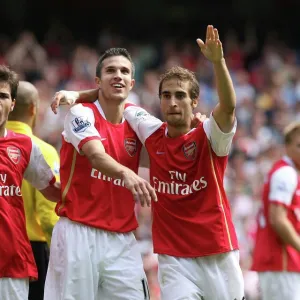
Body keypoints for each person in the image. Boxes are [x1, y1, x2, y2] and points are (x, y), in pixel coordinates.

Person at [51, 25, 245, 300]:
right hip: (174, 259)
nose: (173, 102)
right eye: (166, 96)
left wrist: (218, 62)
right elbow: (112, 96)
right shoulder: (149, 129)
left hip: (218, 253)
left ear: (195, 102)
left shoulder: (210, 136)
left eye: (180, 96)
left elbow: (227, 107)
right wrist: (75, 96)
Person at [44, 48, 157, 300]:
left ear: (132, 82)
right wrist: (127, 173)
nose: (118, 75)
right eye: (110, 71)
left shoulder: (136, 119)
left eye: (124, 71)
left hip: (122, 239)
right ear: (97, 81)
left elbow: (166, 142)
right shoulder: (80, 112)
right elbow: (95, 155)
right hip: (78, 233)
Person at [0, 65, 61, 300]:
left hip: (12, 264)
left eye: (3, 96)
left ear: (12, 104)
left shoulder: (26, 146)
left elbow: (53, 192)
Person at [251, 121, 300, 300]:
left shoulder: (289, 172)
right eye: (299, 145)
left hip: (284, 264)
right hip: (281, 261)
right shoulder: (286, 173)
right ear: (286, 147)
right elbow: (278, 219)